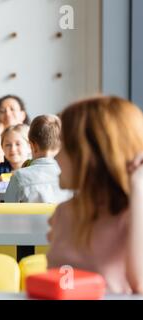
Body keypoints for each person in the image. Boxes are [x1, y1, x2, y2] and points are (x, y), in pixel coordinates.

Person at [46, 96, 143, 294]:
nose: (56, 156)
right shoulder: (63, 213)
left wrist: (137, 187)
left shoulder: (133, 212)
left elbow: (139, 285)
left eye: (63, 146)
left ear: (89, 155)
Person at [4, 115, 71, 203]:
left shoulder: (19, 177)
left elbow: (7, 211)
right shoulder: (70, 176)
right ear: (60, 145)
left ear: (32, 145)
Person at [0, 95, 30, 165]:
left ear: (23, 115)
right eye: (2, 111)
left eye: (12, 109)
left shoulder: (32, 135)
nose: (7, 114)